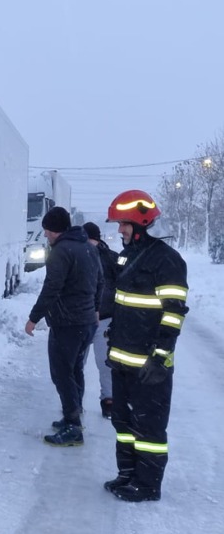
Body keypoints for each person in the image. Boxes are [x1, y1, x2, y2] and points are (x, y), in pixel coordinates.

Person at [103, 190, 188, 502]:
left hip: (149, 365)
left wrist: (161, 356)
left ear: (140, 224)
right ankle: (127, 474)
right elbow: (123, 304)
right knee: (123, 423)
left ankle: (148, 485)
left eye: (123, 224)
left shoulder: (167, 260)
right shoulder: (127, 256)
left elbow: (173, 313)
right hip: (122, 360)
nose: (120, 230)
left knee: (148, 428)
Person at [24, 207, 103, 447]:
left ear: (55, 229)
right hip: (86, 322)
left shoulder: (60, 251)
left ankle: (73, 426)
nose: (45, 234)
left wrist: (33, 318)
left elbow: (51, 288)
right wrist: (96, 309)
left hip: (67, 323)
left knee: (61, 373)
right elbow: (101, 281)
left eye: (47, 230)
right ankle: (74, 415)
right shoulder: (88, 248)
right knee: (75, 369)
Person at [82, 221, 119, 418]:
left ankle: (109, 400)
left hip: (105, 318)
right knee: (77, 362)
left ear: (96, 239)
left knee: (105, 362)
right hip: (81, 318)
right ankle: (74, 401)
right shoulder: (78, 256)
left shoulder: (112, 258)